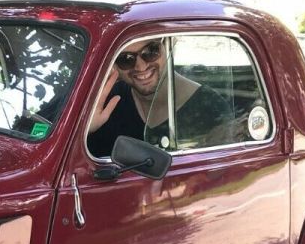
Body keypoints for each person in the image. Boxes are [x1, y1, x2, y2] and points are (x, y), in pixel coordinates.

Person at [87, 37, 233, 159]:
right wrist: (86, 129)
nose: (141, 66)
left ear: (169, 46)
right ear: (114, 65)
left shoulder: (211, 108)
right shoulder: (104, 104)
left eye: (151, 51)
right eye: (126, 59)